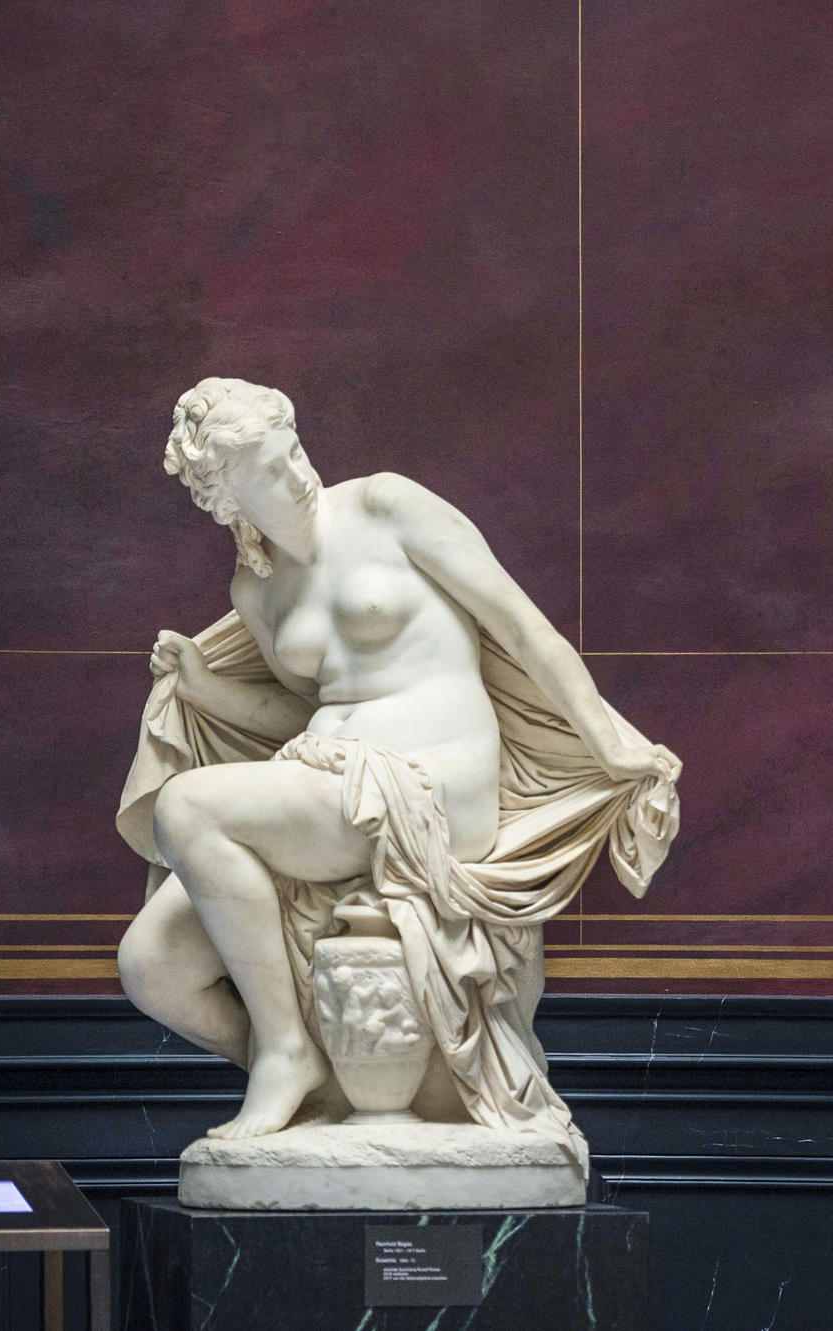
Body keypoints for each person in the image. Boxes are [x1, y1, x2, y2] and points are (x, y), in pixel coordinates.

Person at [112, 377, 679, 1151]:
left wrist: (615, 743)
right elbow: (303, 712)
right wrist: (207, 688)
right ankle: (325, 1087)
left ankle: (286, 1052)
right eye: (274, 474)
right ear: (229, 503)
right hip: (327, 780)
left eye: (296, 451)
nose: (301, 474)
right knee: (150, 963)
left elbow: (523, 629)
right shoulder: (258, 589)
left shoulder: (387, 505)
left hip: (432, 782)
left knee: (186, 807)